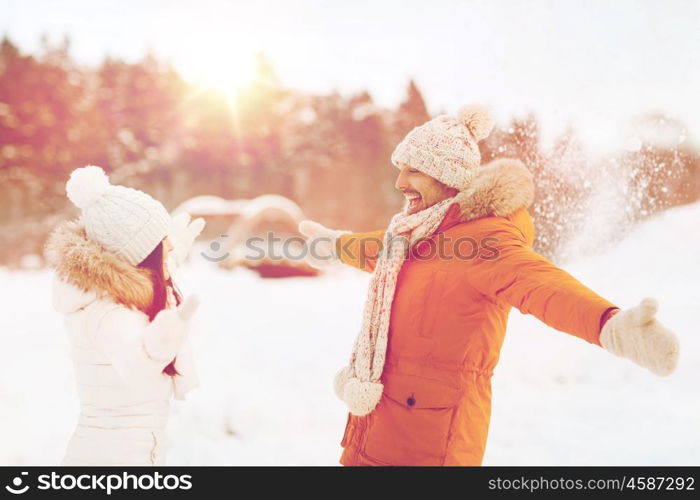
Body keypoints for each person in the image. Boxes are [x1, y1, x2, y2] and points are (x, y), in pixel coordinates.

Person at [298, 105, 680, 466]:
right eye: (400, 168)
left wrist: (609, 324)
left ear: (446, 176)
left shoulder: (485, 242)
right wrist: (331, 243)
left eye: (413, 170)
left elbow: (543, 286)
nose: (400, 182)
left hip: (429, 443)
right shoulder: (418, 234)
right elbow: (377, 249)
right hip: (374, 430)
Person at [45, 166, 205, 465]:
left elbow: (146, 278)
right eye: (163, 242)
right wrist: (162, 340)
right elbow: (140, 368)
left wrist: (173, 253)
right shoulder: (110, 314)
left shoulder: (113, 295)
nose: (170, 247)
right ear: (141, 255)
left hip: (123, 450)